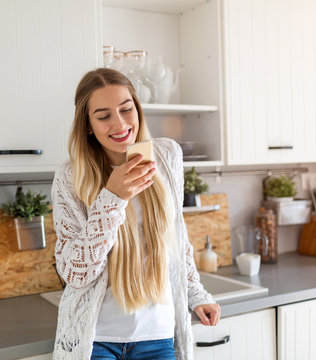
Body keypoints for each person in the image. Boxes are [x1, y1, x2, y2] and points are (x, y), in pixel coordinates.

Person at [51, 68, 220, 360]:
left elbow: (177, 238)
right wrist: (113, 197)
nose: (119, 123)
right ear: (88, 125)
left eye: (126, 109)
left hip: (157, 335)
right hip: (96, 339)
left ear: (138, 110)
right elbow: (74, 274)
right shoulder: (71, 176)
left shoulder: (167, 156)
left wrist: (196, 294)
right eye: (103, 116)